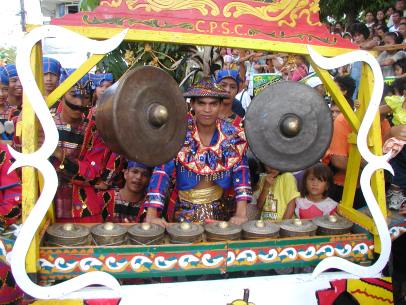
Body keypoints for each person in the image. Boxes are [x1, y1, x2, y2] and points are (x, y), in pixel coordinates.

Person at [144, 79, 252, 226]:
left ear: (221, 105)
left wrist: (241, 213)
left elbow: (242, 173)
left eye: (213, 104)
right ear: (192, 104)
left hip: (220, 211)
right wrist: (151, 214)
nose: (207, 109)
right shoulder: (178, 133)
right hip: (182, 211)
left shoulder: (233, 135)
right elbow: (162, 172)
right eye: (201, 103)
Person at [49, 70, 112, 222]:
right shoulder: (43, 125)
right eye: (74, 95)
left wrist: (59, 155)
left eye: (85, 97)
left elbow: (91, 174)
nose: (79, 103)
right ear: (62, 93)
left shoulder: (95, 130)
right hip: (45, 202)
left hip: (82, 209)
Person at [327, 75, 366, 209]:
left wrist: (363, 170)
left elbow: (339, 161)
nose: (334, 114)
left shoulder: (346, 117)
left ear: (344, 91)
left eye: (334, 86)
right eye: (332, 111)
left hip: (348, 185)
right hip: (341, 181)